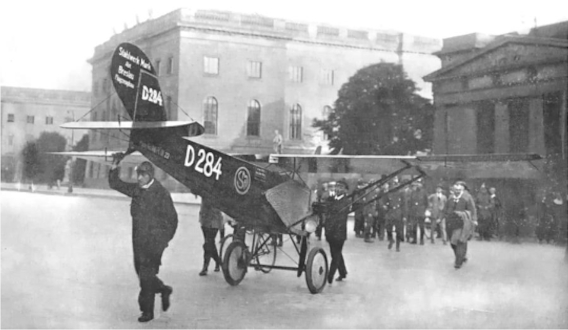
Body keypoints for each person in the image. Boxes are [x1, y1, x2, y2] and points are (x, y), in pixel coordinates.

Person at [109, 157, 178, 322]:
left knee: (146, 277)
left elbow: (172, 220)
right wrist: (114, 166)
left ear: (150, 176)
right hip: (138, 242)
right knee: (143, 275)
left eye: (143, 175)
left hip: (153, 243)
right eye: (138, 174)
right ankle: (163, 289)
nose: (139, 178)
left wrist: (162, 241)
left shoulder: (161, 193)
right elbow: (116, 184)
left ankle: (147, 311)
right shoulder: (137, 190)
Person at [444, 180, 477, 269]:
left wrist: (474, 219)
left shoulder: (467, 197)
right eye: (456, 187)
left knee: (460, 240)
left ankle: (458, 262)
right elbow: (446, 208)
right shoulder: (450, 197)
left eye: (460, 187)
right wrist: (443, 216)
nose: (457, 189)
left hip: (462, 222)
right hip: (451, 222)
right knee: (452, 242)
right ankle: (461, 256)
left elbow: (472, 209)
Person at [324, 180, 350, 284]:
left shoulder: (346, 202)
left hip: (339, 233)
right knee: (336, 253)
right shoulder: (331, 199)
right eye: (337, 187)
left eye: (341, 187)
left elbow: (338, 213)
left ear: (345, 190)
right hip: (330, 232)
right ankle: (343, 272)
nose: (338, 189)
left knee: (335, 254)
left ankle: (330, 275)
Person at [199, 197, 223, 276]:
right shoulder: (204, 190)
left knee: (208, 244)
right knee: (210, 244)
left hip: (214, 221)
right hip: (205, 220)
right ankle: (218, 261)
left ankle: (205, 267)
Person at [385, 177, 405, 252]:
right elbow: (384, 201)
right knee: (388, 229)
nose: (394, 186)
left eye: (396, 184)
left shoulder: (402, 193)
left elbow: (404, 205)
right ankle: (391, 240)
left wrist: (404, 215)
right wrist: (385, 207)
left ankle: (398, 246)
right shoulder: (389, 193)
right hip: (390, 213)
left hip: (398, 214)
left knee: (398, 231)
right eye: (393, 184)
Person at [408, 178, 428, 245]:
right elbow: (410, 202)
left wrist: (424, 210)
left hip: (421, 212)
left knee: (421, 226)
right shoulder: (413, 192)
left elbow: (426, 203)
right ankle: (414, 239)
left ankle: (422, 240)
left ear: (422, 185)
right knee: (414, 226)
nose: (418, 185)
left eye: (419, 183)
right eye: (417, 184)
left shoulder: (424, 192)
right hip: (414, 212)